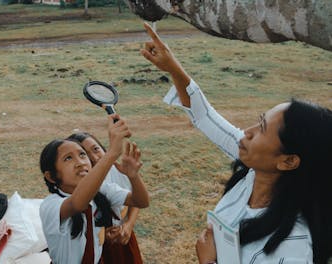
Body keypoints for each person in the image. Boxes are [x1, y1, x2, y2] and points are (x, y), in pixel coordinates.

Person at [140, 22, 332, 264]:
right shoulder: (255, 172)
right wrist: (173, 67)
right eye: (259, 121)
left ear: (288, 161)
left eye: (262, 129)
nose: (247, 132)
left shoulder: (292, 247)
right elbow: (204, 115)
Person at [39, 115, 149, 264]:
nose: (80, 163)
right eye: (68, 158)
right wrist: (112, 153)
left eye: (82, 155)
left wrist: (133, 177)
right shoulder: (51, 205)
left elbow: (141, 201)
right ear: (51, 176)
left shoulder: (102, 190)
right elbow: (77, 204)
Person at [67, 132, 143, 264]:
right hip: (92, 250)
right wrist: (100, 235)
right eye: (84, 154)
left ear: (105, 149)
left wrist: (128, 226)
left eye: (96, 149)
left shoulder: (117, 170)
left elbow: (135, 200)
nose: (95, 158)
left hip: (123, 240)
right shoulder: (73, 186)